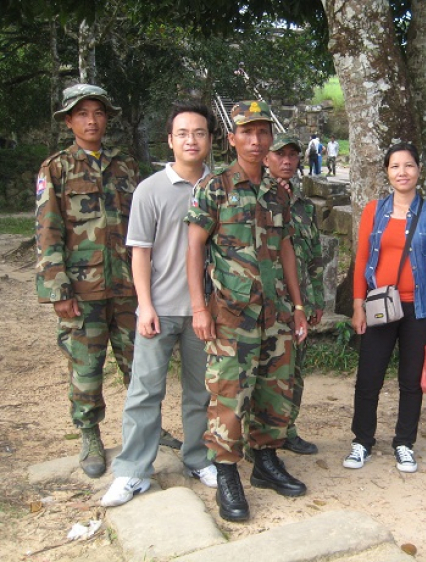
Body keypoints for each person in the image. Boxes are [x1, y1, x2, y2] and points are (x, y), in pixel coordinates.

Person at [186, 101, 309, 522]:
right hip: (230, 314)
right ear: (233, 138)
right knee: (229, 396)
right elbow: (193, 248)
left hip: (275, 313)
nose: (256, 141)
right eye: (247, 133)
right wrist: (199, 308)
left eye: (262, 132)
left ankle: (266, 461)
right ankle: (226, 472)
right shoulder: (215, 187)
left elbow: (286, 248)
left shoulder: (277, 192)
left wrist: (297, 305)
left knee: (275, 391)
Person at [100, 101, 218, 507]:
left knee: (199, 391)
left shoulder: (218, 186)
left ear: (209, 139)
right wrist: (144, 306)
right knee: (144, 391)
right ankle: (133, 470)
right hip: (160, 309)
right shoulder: (150, 189)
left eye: (199, 132)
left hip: (205, 312)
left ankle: (198, 457)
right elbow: (140, 253)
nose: (191, 139)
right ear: (170, 140)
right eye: (182, 133)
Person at [36, 84, 139, 478]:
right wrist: (59, 290)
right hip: (83, 289)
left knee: (140, 363)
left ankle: (146, 427)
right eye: (82, 114)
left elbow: (143, 228)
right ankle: (90, 433)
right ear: (68, 121)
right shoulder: (56, 168)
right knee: (86, 366)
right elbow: (48, 231)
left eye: (98, 112)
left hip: (128, 287)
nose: (91, 120)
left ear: (107, 117)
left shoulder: (125, 166)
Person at [344, 142, 426, 473]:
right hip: (379, 305)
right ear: (387, 172)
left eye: (408, 165)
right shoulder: (374, 210)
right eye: (395, 166)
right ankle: (362, 441)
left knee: (410, 380)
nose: (402, 172)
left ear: (419, 170)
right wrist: (358, 304)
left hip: (419, 308)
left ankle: (404, 442)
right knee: (369, 377)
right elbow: (362, 259)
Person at [247, 133, 323, 456]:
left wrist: (315, 299)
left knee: (295, 369)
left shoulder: (303, 207)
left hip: (299, 303)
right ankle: (257, 437)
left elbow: (315, 255)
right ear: (266, 159)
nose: (287, 162)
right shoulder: (256, 198)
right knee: (263, 372)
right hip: (267, 302)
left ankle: (287, 428)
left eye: (293, 156)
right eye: (280, 155)